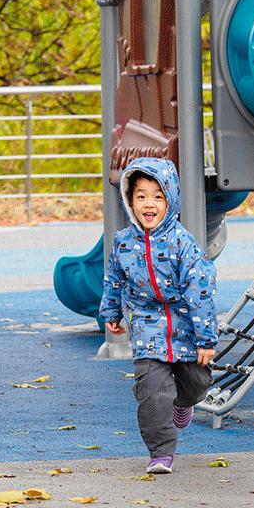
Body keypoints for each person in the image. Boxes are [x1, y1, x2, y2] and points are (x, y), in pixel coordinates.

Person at [99, 157, 217, 474]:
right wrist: (111, 311)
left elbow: (200, 290)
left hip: (187, 326)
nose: (148, 204)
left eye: (157, 196)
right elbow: (114, 279)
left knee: (197, 384)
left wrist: (206, 338)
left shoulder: (182, 244)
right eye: (141, 196)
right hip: (147, 327)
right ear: (129, 200)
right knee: (153, 393)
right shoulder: (122, 243)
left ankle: (183, 404)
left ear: (170, 200)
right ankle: (160, 452)